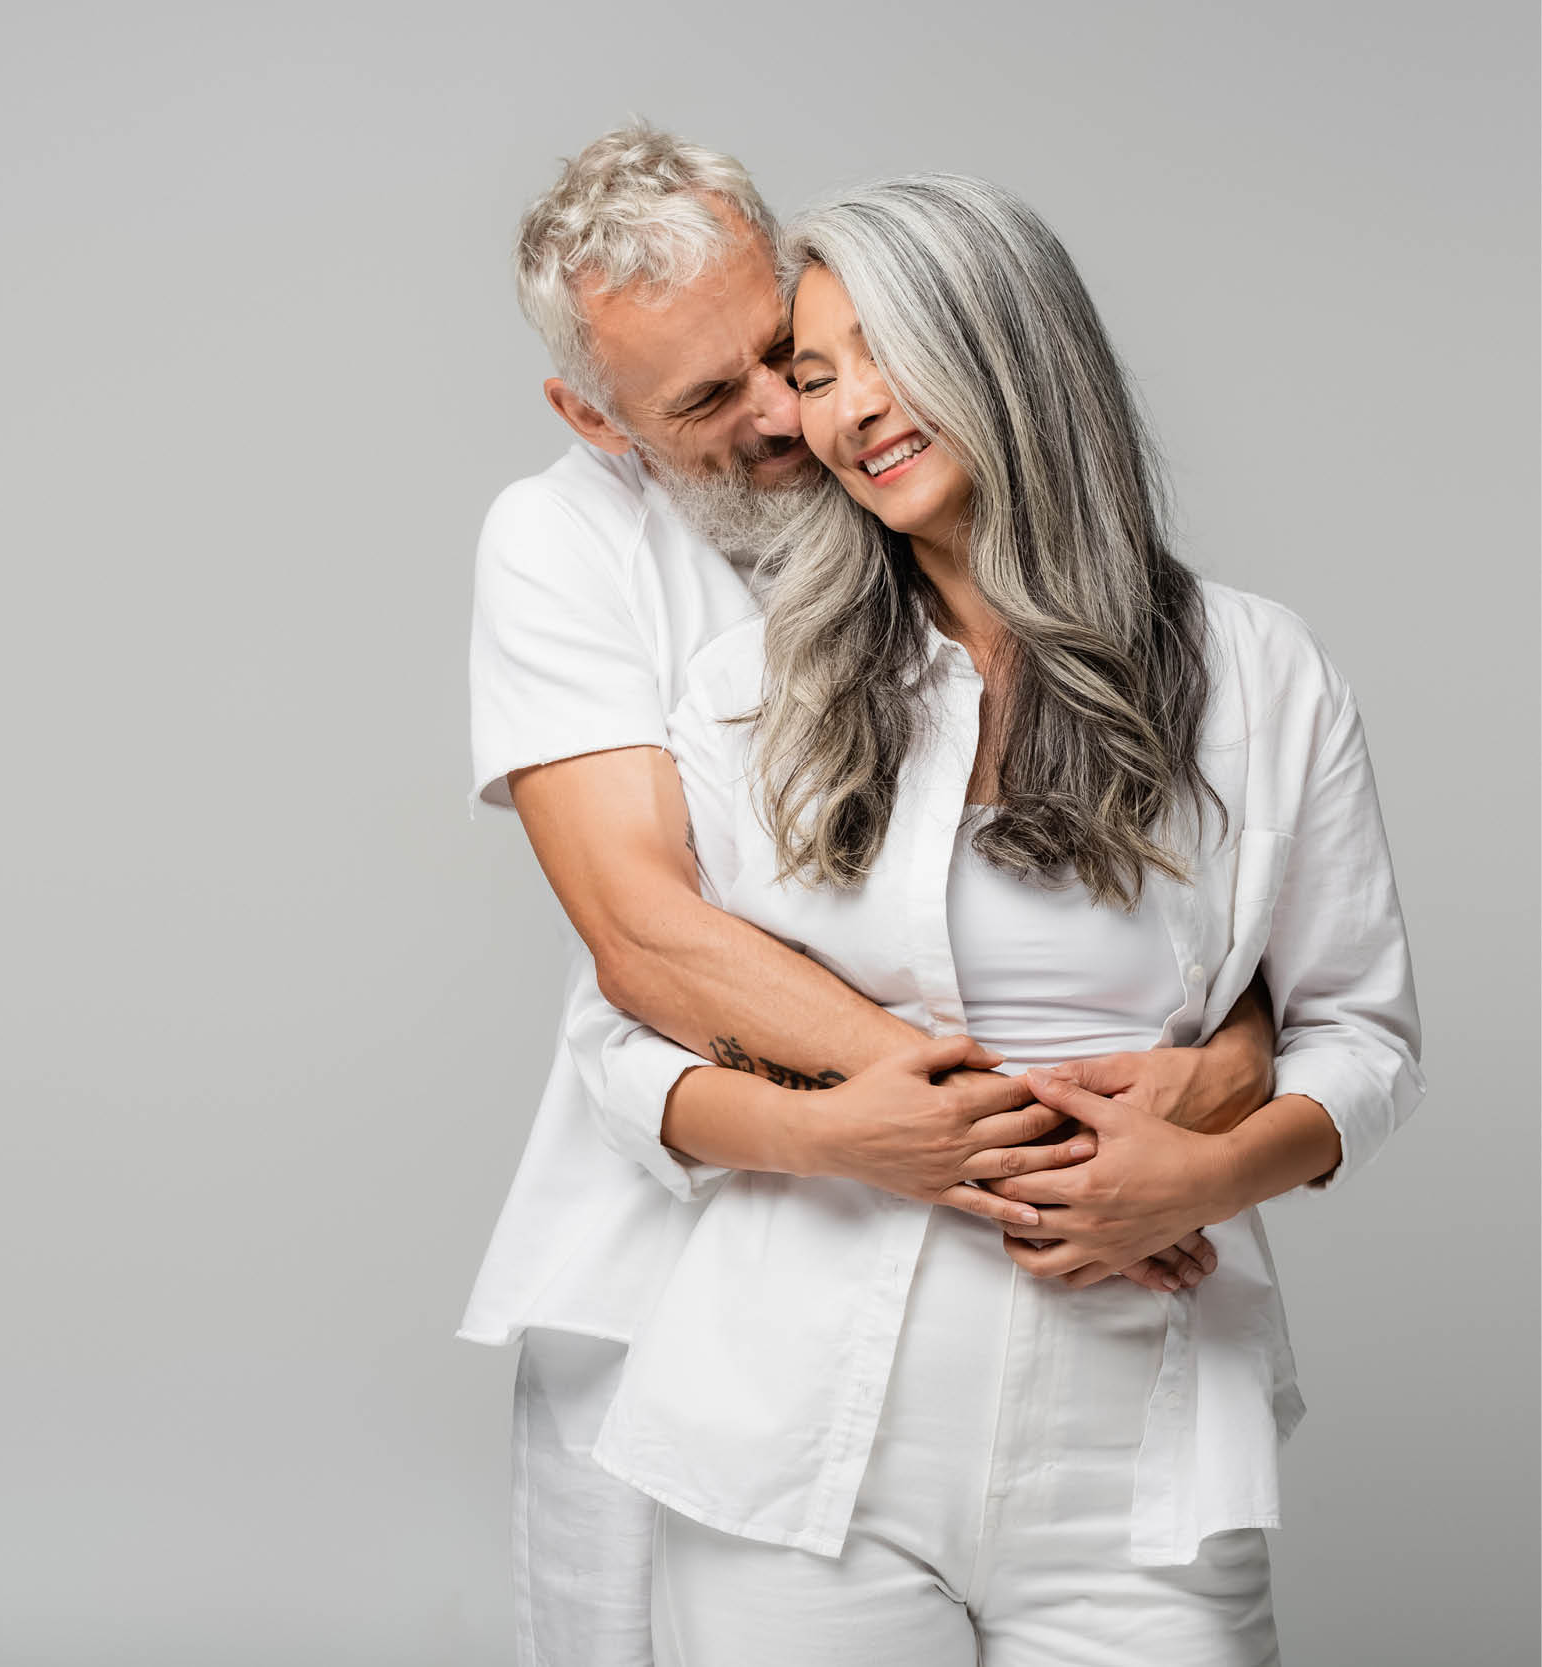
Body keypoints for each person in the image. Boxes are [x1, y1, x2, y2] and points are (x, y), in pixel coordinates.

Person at [576, 175, 1424, 1664]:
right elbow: (623, 1045)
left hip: (1144, 1458)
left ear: (1008, 343)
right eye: (815, 375)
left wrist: (1207, 1174)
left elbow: (1364, 1035)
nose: (844, 413)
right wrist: (839, 1134)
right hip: (793, 1448)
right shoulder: (747, 690)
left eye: (881, 351)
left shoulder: (1259, 673)